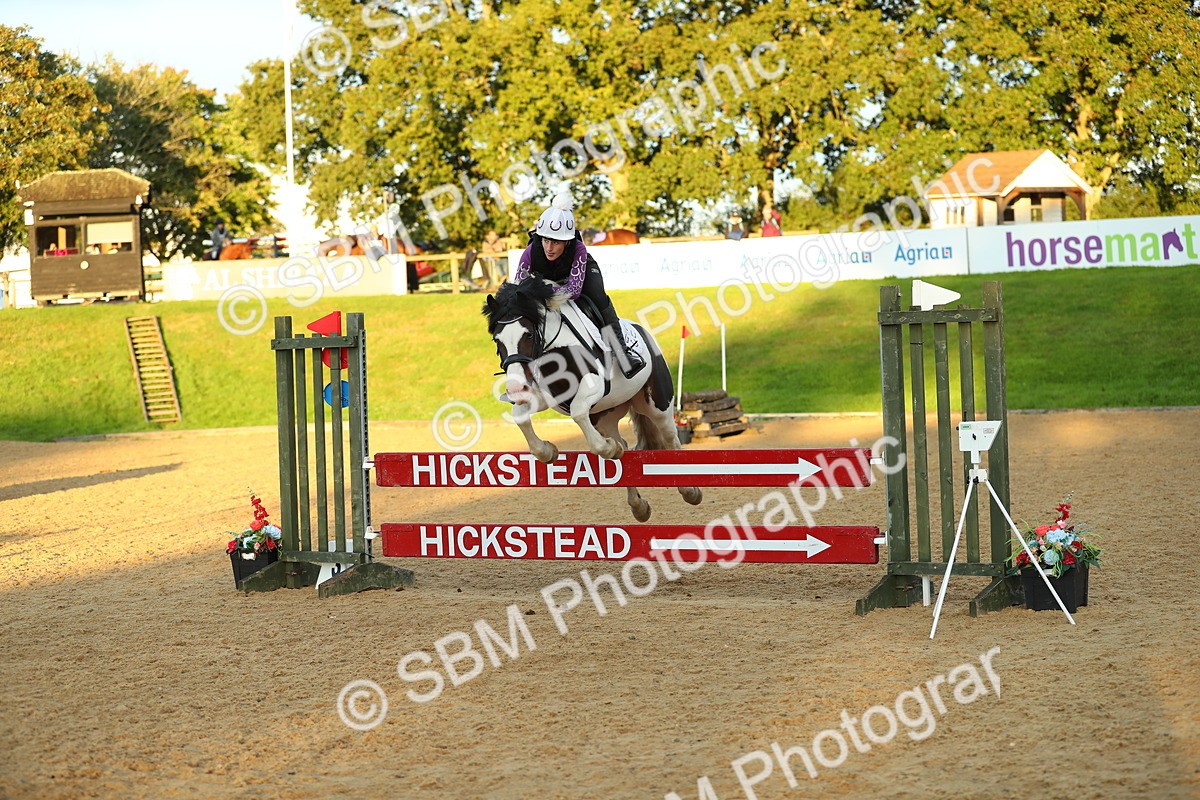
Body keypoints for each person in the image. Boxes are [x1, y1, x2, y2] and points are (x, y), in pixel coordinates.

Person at [512, 191, 645, 378]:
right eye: (546, 240)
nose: (549, 248)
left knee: (599, 299)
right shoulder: (531, 250)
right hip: (551, 281)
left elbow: (573, 291)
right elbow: (519, 285)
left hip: (582, 276)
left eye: (556, 242)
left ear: (567, 242)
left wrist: (540, 289)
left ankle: (623, 353)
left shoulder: (578, 249)